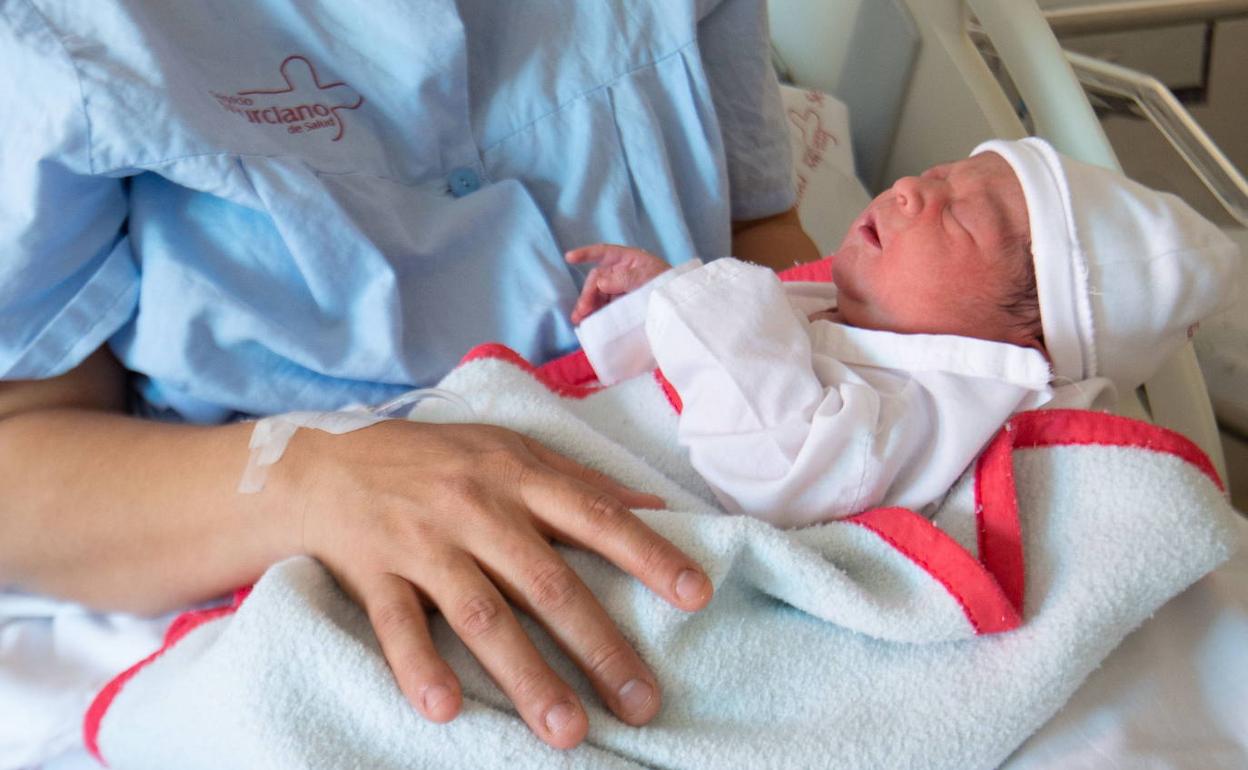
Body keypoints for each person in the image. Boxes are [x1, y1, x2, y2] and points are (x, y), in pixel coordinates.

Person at [0, 0, 819, 756]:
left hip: (700, 522)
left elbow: (767, 246)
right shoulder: (66, 28)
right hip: (279, 570)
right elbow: (19, 460)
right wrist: (312, 475)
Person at [564, 138, 1240, 527]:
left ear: (1019, 345)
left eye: (959, 218)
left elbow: (781, 467)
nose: (911, 189)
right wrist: (657, 300)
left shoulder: (940, 402)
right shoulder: (837, 303)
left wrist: (704, 296)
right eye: (939, 174)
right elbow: (723, 367)